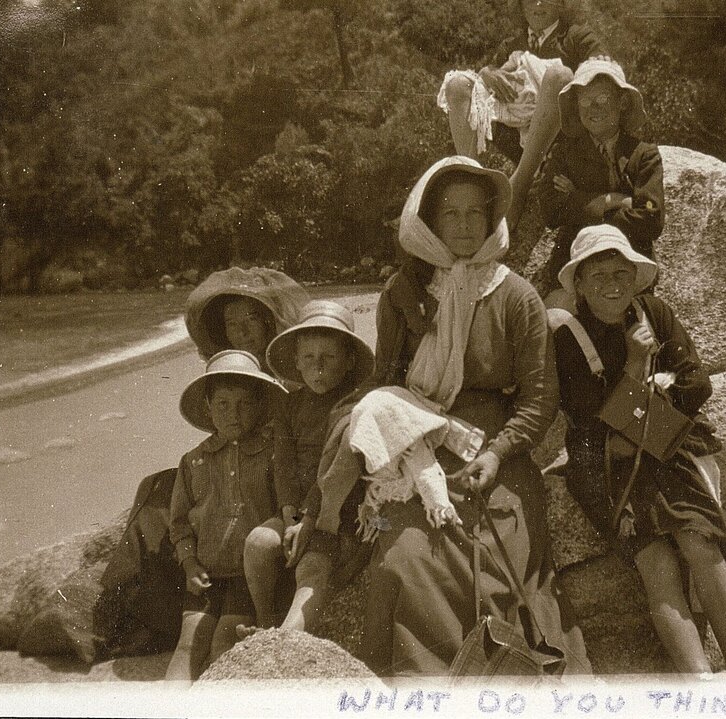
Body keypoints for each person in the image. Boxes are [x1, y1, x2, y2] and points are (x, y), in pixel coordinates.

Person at [315, 156, 591, 676]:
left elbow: (539, 399)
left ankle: (505, 675)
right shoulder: (402, 291)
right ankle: (422, 686)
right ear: (428, 222)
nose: (464, 226)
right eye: (450, 214)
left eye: (475, 213)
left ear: (491, 219)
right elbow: (386, 378)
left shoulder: (516, 296)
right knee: (405, 556)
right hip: (418, 444)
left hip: (494, 448)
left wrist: (498, 452)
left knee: (504, 565)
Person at [552, 224, 726, 679]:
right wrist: (639, 365)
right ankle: (701, 683)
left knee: (699, 542)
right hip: (605, 464)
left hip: (662, 444)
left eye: (622, 272)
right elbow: (591, 421)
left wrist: (641, 409)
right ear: (579, 284)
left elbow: (697, 383)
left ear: (636, 276)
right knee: (655, 562)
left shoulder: (654, 312)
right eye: (598, 275)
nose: (612, 285)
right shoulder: (568, 339)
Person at [237, 300, 375, 635]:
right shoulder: (289, 404)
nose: (318, 368)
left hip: (335, 512)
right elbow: (283, 463)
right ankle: (265, 623)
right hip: (296, 510)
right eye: (309, 358)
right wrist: (289, 516)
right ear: (297, 363)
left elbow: (332, 470)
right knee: (257, 543)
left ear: (349, 361)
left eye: (329, 358)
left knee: (312, 566)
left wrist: (306, 521)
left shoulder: (353, 405)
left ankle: (288, 635)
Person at [164, 350, 287, 682]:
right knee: (187, 645)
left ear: (259, 406)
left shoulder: (272, 454)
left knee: (224, 643)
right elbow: (179, 523)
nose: (234, 414)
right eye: (223, 404)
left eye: (245, 404)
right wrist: (189, 563)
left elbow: (284, 509)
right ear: (208, 407)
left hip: (246, 579)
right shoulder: (193, 461)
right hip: (204, 575)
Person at [438, 0, 604, 227]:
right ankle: (472, 181)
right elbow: (484, 91)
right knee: (458, 85)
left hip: (561, 141)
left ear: (561, 4)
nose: (538, 5)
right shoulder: (514, 43)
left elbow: (604, 72)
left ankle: (519, 187)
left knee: (560, 75)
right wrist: (488, 73)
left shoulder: (578, 37)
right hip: (515, 139)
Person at [538, 59, 664, 307]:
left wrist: (577, 198)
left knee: (640, 326)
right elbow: (551, 210)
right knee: (557, 317)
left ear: (622, 102)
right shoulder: (564, 153)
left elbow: (651, 220)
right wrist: (614, 201)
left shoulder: (643, 155)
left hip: (631, 269)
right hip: (574, 268)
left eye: (602, 98)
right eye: (584, 100)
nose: (592, 108)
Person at [185, 266, 311, 368]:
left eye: (251, 319)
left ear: (267, 321)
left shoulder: (295, 369)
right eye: (232, 324)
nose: (242, 332)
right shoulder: (224, 376)